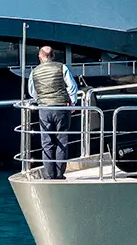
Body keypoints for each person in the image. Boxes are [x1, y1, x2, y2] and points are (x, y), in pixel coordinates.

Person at [29, 44, 80, 179]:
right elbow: (72, 87)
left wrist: (41, 100)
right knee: (61, 141)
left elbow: (32, 91)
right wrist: (73, 103)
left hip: (44, 109)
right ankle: (59, 174)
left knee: (47, 142)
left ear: (40, 57)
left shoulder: (34, 71)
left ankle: (50, 175)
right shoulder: (61, 67)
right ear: (53, 56)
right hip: (61, 108)